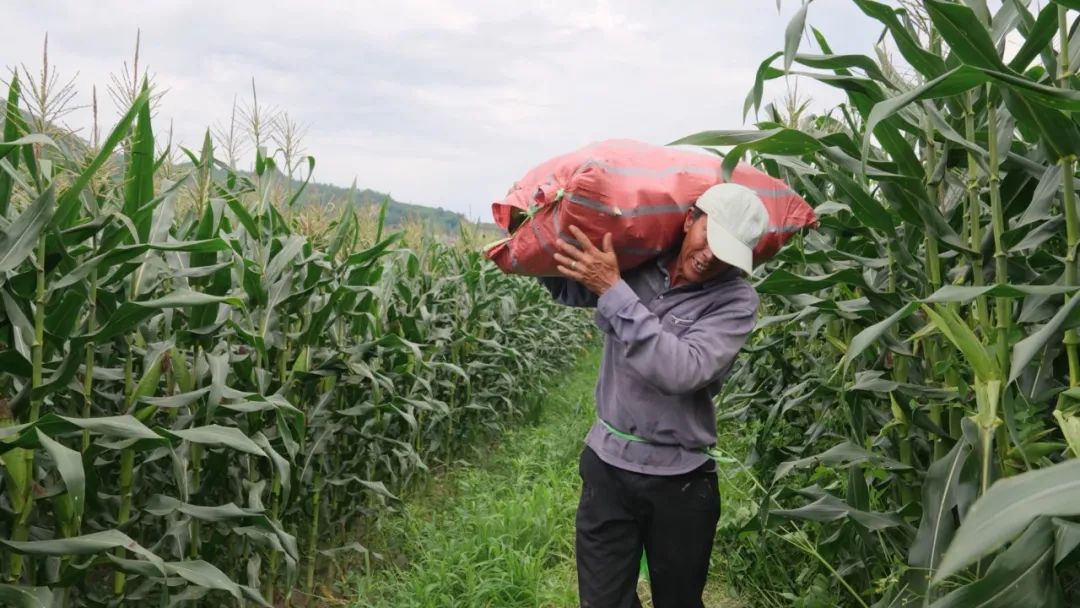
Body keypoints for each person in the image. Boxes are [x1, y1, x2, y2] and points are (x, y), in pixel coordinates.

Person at [538, 183, 769, 608]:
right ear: (689, 220)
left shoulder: (736, 301)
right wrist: (539, 230)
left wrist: (614, 292)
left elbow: (682, 370)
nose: (712, 256)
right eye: (710, 239)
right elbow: (569, 288)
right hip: (607, 466)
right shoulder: (638, 262)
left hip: (681, 482)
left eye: (728, 252)